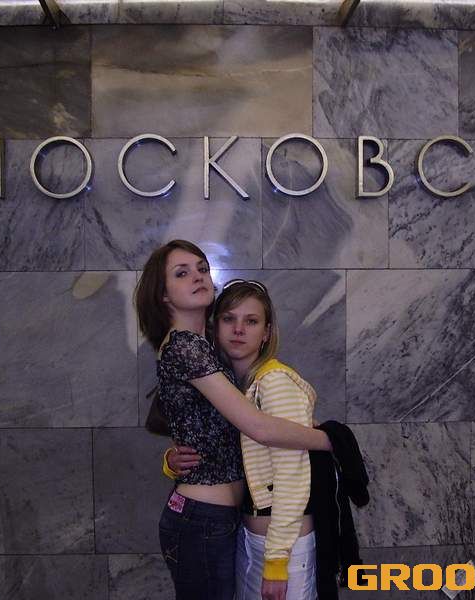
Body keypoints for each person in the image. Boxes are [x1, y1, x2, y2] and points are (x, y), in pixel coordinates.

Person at [135, 240, 331, 600]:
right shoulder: (187, 347)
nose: (197, 276)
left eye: (202, 268)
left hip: (216, 517)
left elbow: (200, 426)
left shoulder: (206, 348)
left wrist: (171, 459)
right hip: (203, 517)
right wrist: (331, 439)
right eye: (182, 273)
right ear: (163, 294)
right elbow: (257, 427)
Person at [167, 278, 318, 600]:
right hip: (248, 538)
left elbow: (293, 475)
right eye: (229, 319)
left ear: (266, 333)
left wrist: (276, 562)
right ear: (215, 327)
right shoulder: (232, 387)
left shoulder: (274, 381)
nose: (238, 330)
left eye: (251, 321)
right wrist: (172, 461)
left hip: (282, 547)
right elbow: (223, 448)